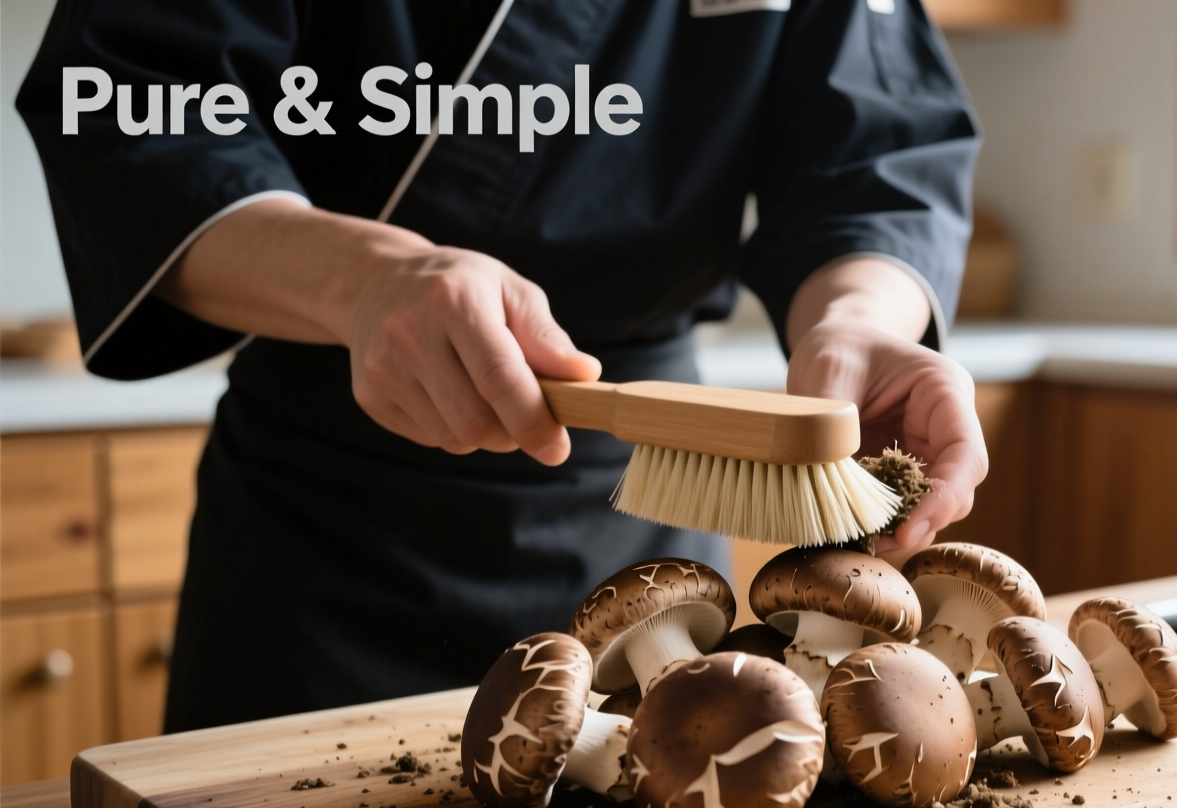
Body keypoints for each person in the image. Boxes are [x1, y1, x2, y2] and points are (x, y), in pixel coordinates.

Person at [19, 0, 985, 732]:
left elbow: (876, 153)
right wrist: (365, 280)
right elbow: (131, 109)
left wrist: (860, 320)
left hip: (637, 521)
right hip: (322, 542)